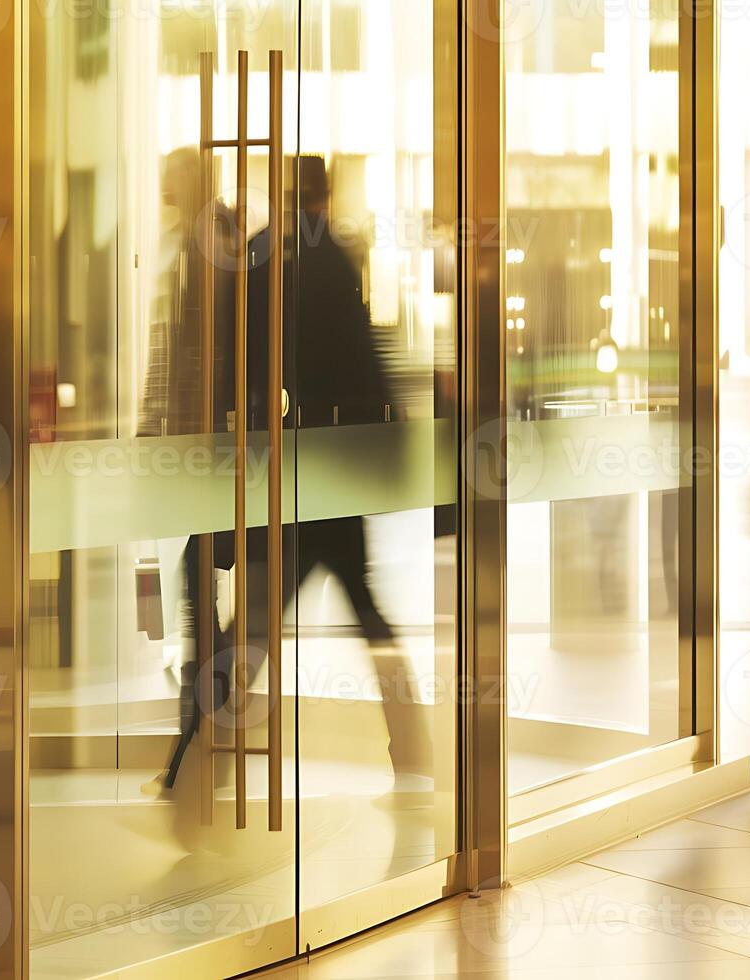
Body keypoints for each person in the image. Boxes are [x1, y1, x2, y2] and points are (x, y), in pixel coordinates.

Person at [161, 157, 429, 795]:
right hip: (333, 469)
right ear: (324, 195)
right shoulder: (333, 257)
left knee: (259, 618)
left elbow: (244, 364)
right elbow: (363, 355)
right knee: (350, 610)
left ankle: (194, 753)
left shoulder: (264, 258)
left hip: (292, 470)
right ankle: (411, 747)